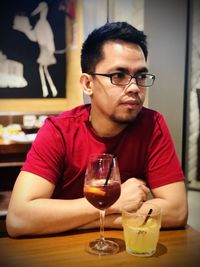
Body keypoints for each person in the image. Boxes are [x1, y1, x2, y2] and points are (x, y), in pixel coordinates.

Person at [6, 22, 188, 237]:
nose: (134, 87)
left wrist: (104, 220)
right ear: (87, 84)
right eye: (118, 76)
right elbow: (19, 219)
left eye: (140, 76)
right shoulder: (59, 131)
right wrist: (112, 203)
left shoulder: (152, 125)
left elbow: (177, 211)